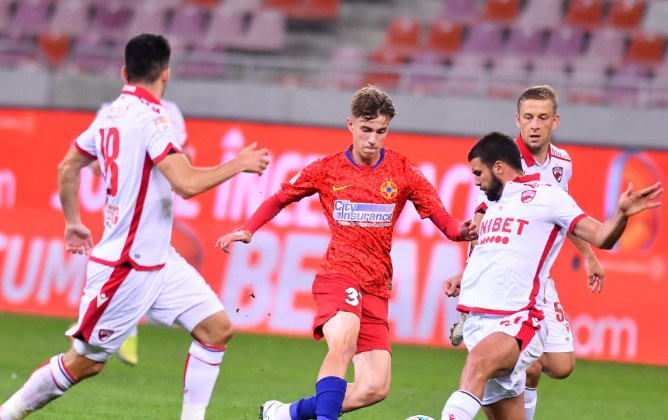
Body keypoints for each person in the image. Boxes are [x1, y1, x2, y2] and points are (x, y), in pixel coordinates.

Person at [0, 33, 270, 420]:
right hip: (127, 265)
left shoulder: (110, 114)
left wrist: (72, 223)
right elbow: (185, 183)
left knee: (216, 329)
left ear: (123, 71)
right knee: (84, 364)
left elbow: (68, 166)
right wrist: (238, 164)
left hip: (158, 260)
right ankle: (4, 416)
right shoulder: (153, 119)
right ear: (165, 76)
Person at [215, 85, 478, 420]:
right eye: (366, 130)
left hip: (376, 286)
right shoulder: (327, 169)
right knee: (343, 343)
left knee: (374, 388)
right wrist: (248, 228)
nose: (372, 139)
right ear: (350, 125)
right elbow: (280, 198)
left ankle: (287, 414)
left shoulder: (402, 170)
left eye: (380, 131)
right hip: (338, 276)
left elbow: (441, 217)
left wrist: (461, 231)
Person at [439, 132, 661, 420]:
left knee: (477, 365)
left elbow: (602, 236)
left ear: (498, 167)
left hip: (517, 319)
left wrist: (620, 215)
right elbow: (493, 254)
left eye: (478, 173)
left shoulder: (548, 196)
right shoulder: (490, 207)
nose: (476, 181)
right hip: (478, 323)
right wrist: (464, 275)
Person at [447, 85, 606, 418]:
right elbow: (483, 219)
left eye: (542, 118)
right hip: (512, 280)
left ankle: (510, 361)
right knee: (525, 366)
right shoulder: (505, 162)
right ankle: (506, 354)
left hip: (539, 274)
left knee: (561, 366)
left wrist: (589, 255)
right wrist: (470, 272)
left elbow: (566, 214)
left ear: (555, 122)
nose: (535, 125)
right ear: (517, 120)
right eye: (529, 117)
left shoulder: (562, 163)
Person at [93, 98, 192, 367]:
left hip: (148, 208)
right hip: (129, 210)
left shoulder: (111, 111)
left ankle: (102, 326)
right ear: (164, 74)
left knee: (138, 269)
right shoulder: (165, 111)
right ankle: (121, 330)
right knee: (133, 266)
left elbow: (183, 156)